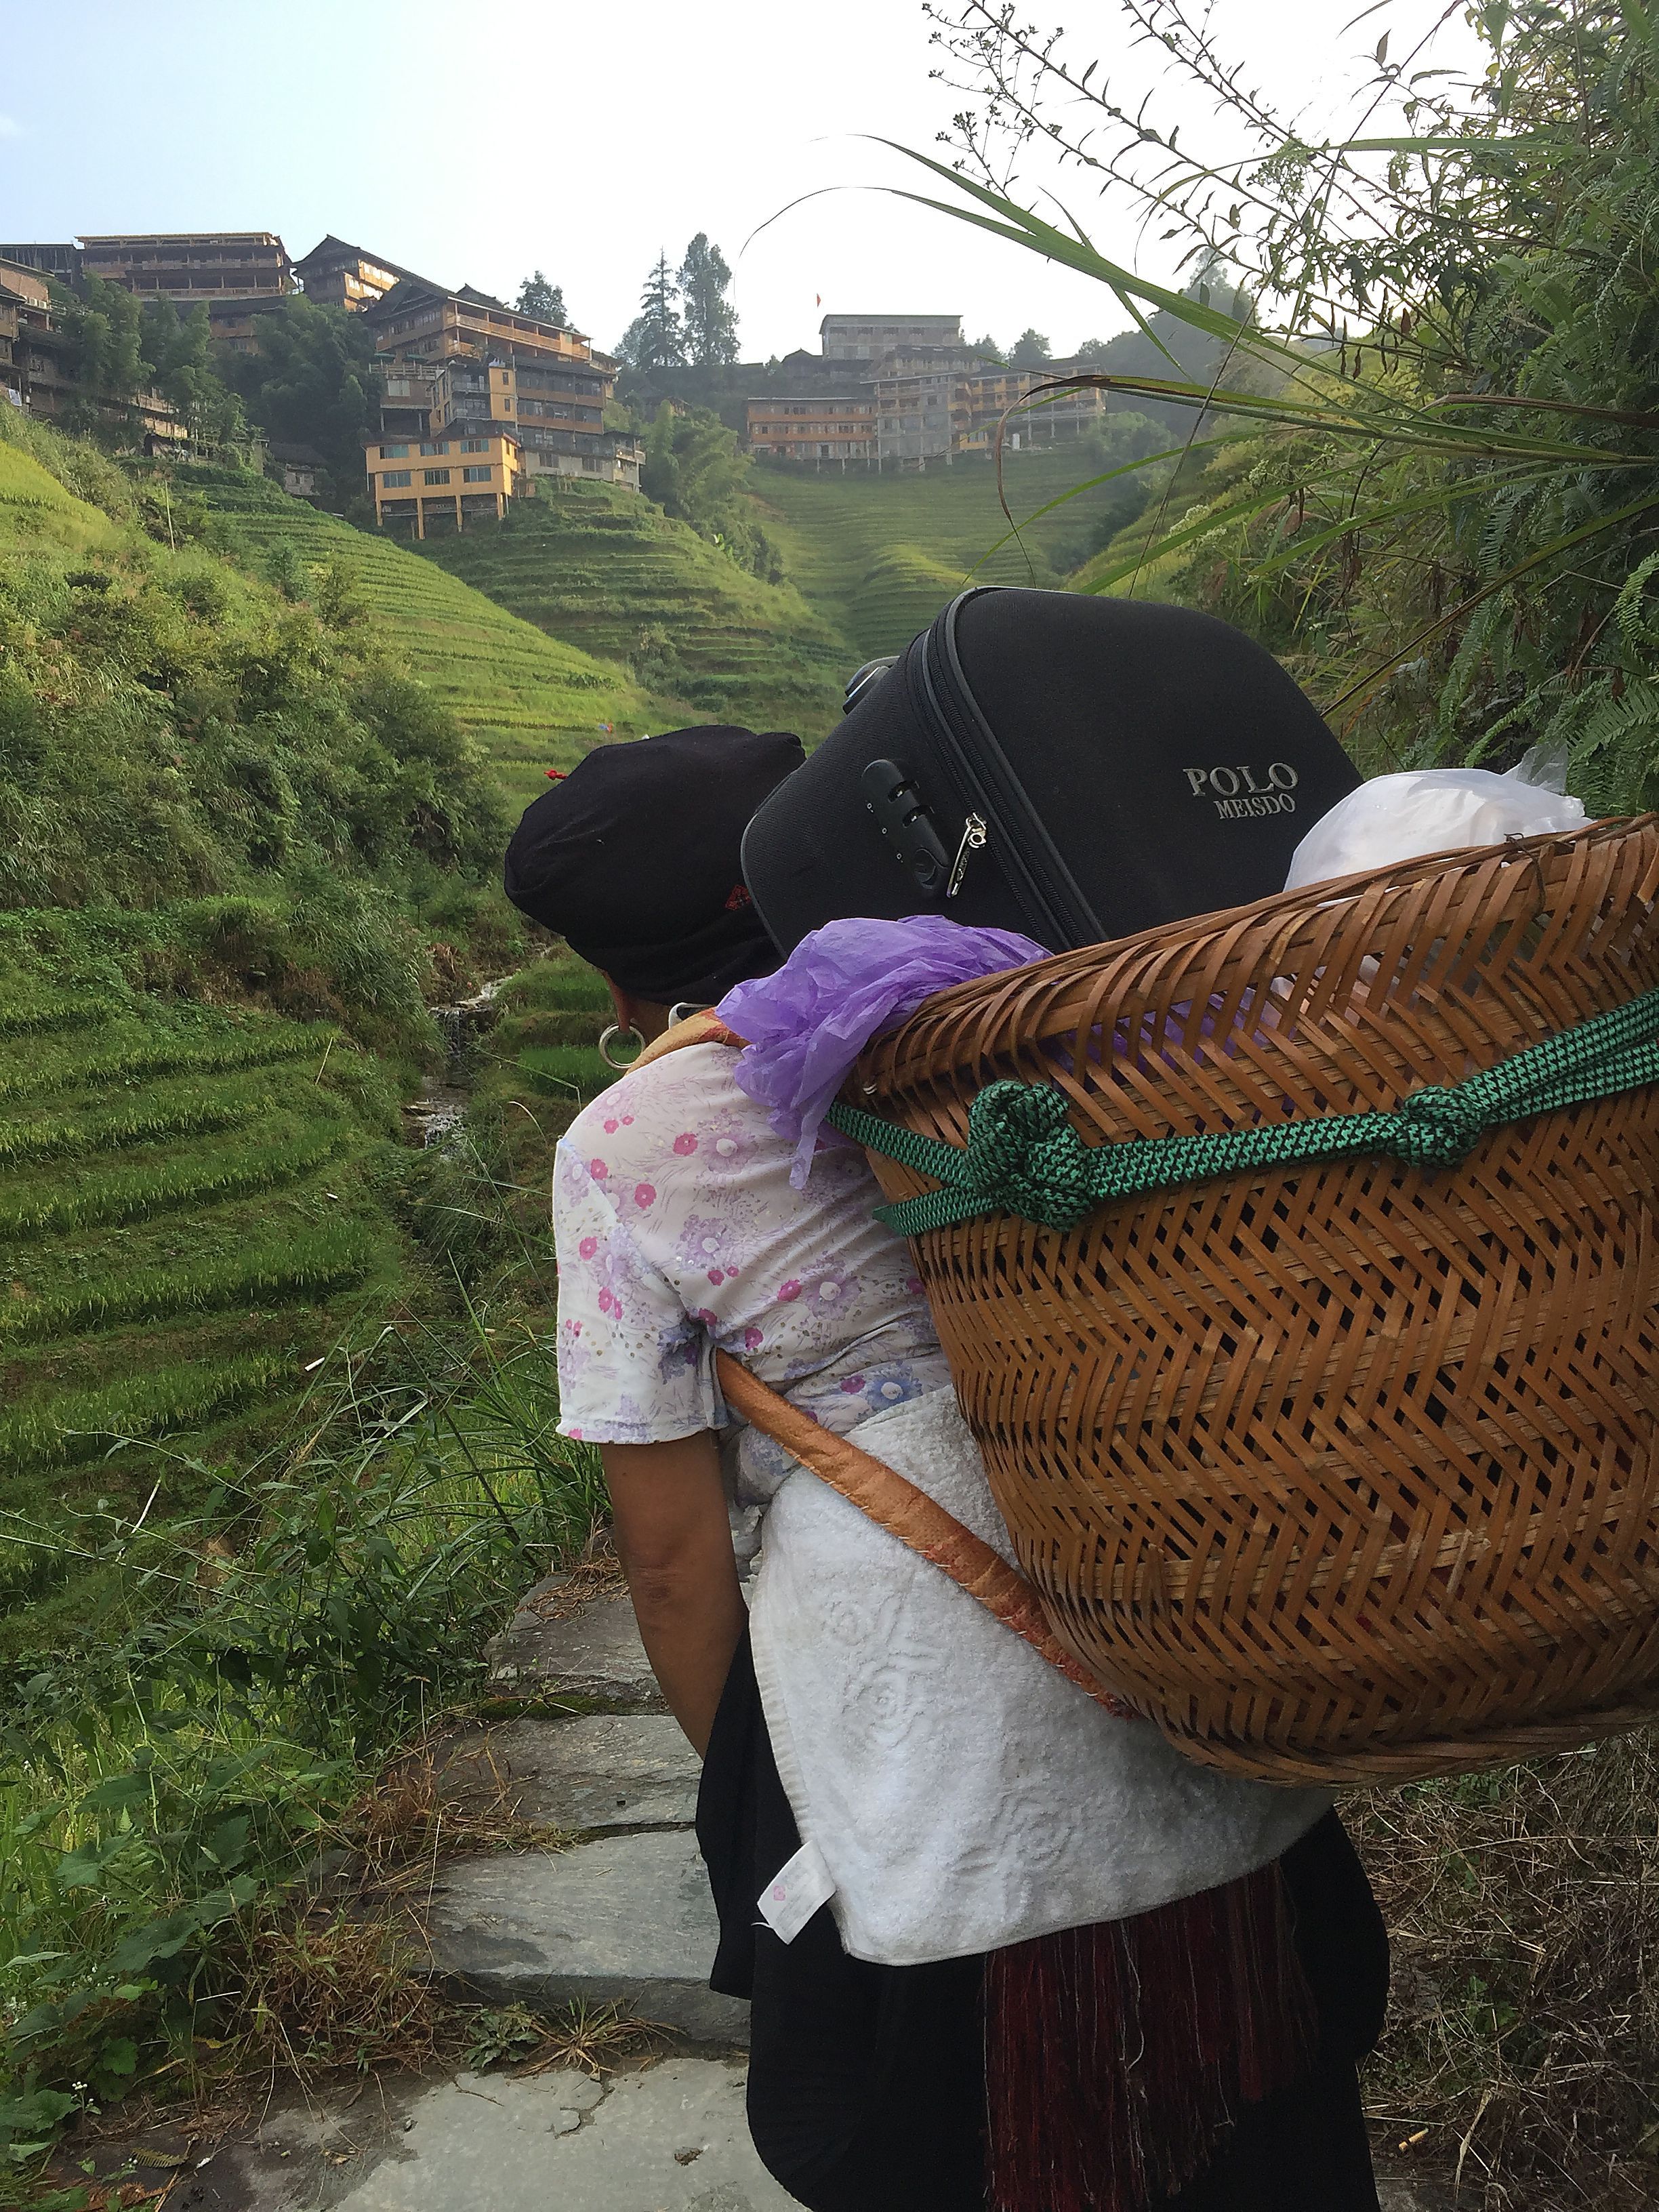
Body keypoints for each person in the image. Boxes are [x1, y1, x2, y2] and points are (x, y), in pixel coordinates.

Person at [504, 722, 1389, 2212]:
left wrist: (768, 1792)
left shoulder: (623, 1147)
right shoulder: (1018, 995)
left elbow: (669, 1560)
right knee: (1268, 2106)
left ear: (613, 980)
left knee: (953, 2142)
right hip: (1161, 1594)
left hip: (902, 1687)